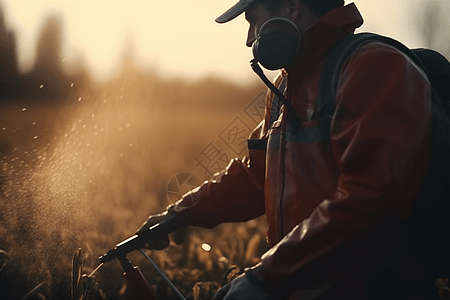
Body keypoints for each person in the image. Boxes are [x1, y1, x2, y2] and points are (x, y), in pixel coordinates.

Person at [136, 0, 438, 299]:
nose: (250, 39)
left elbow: (372, 197)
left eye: (253, 21)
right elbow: (258, 177)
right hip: (301, 283)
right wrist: (181, 214)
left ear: (291, 9)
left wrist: (265, 278)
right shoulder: (287, 84)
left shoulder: (373, 66)